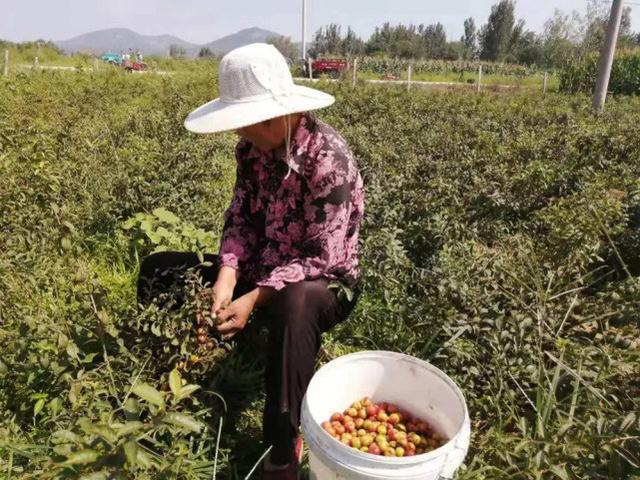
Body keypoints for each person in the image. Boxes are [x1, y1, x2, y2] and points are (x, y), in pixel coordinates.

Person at [137, 43, 365, 479]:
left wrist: (255, 298)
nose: (239, 135)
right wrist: (226, 277)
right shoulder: (253, 151)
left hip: (324, 285)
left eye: (244, 125)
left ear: (275, 116)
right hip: (261, 269)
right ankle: (180, 362)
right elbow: (240, 217)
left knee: (294, 304)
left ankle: (282, 447)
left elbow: (322, 258)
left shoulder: (327, 161)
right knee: (159, 268)